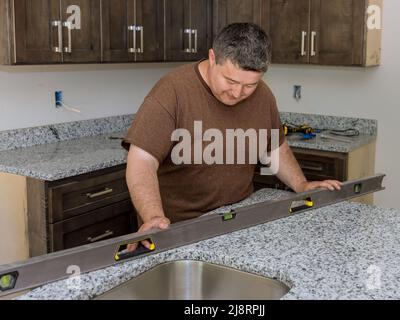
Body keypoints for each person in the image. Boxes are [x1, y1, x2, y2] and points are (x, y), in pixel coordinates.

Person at [122, 23, 342, 251]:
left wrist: (302, 185)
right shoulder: (172, 92)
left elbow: (274, 148)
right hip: (178, 230)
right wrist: (153, 216)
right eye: (231, 81)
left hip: (237, 222)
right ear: (212, 57)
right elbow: (141, 162)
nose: (238, 93)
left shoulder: (263, 96)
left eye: (250, 85)